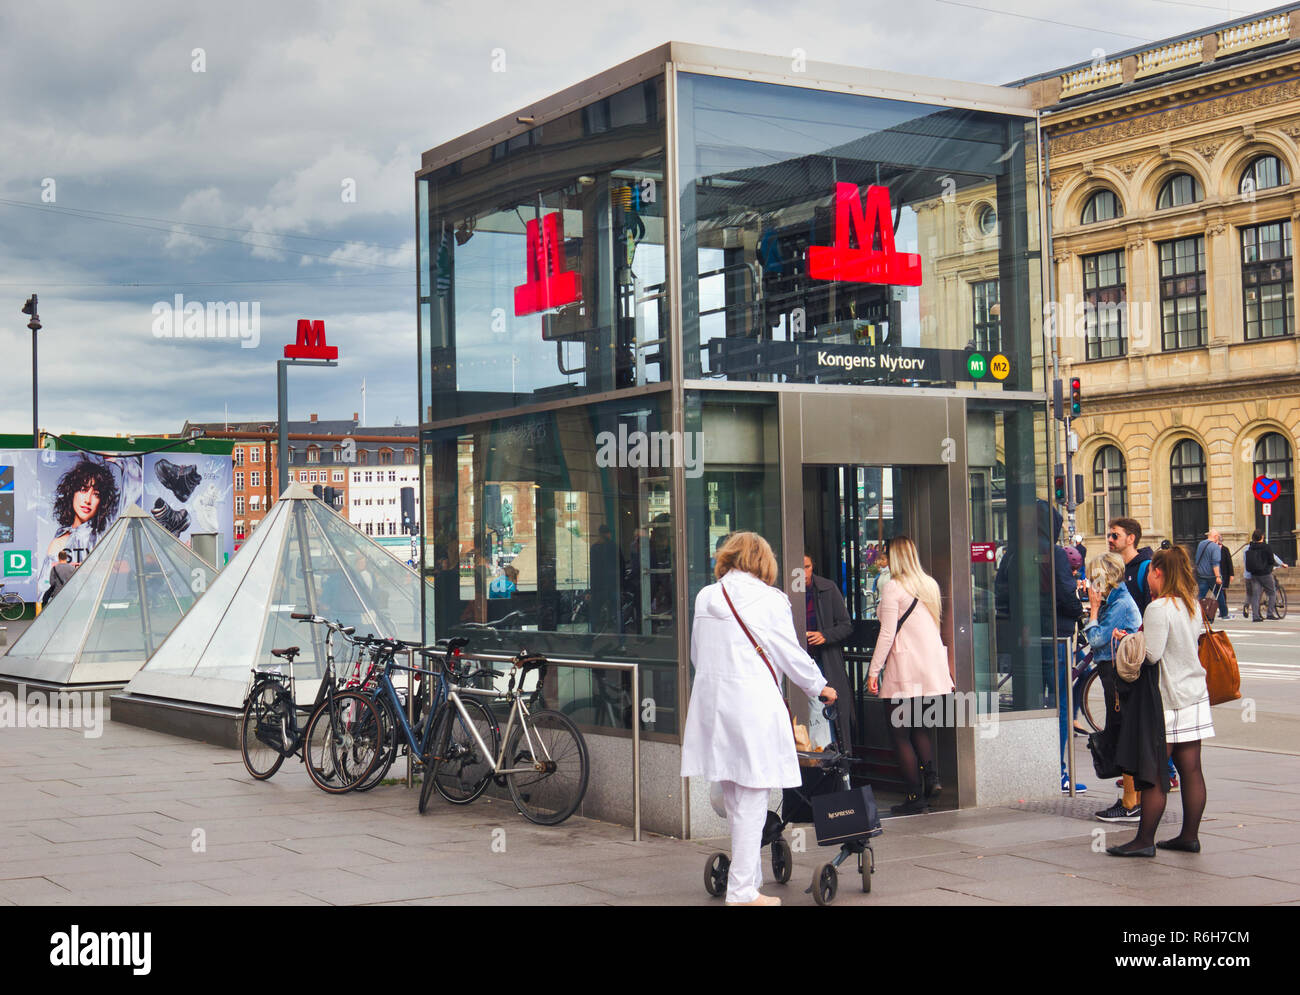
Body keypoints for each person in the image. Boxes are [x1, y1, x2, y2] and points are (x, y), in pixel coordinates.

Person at [681, 531, 836, 907]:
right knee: (752, 797)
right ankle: (742, 892)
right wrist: (820, 687)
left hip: (712, 706)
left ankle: (747, 878)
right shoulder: (771, 600)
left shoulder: (706, 595)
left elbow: (697, 654)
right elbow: (790, 654)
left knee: (735, 797)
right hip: (751, 706)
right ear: (764, 561)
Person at [1107, 545, 1209, 857]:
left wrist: (1126, 640)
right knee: (1191, 769)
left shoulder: (1159, 608)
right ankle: (1189, 836)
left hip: (1165, 700)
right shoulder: (1191, 604)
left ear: (1159, 572)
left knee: (1153, 772)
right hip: (1195, 695)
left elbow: (1150, 654)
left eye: (1150, 572)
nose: (1147, 577)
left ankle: (1144, 841)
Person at [866, 536, 953, 815]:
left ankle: (915, 796)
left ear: (896, 558)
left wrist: (873, 671)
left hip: (904, 670)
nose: (884, 560)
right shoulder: (928, 584)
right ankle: (932, 778)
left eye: (887, 555)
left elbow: (888, 633)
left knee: (900, 735)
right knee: (920, 729)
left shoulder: (893, 587)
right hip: (930, 671)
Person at [1084, 552, 1145, 824]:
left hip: (1119, 675)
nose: (1088, 581)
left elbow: (1096, 639)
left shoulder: (1119, 603)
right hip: (1114, 673)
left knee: (1122, 732)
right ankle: (1132, 801)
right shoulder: (1116, 599)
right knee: (1121, 730)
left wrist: (1094, 610)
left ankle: (1131, 803)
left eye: (1092, 576)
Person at [802, 552, 855, 749]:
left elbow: (846, 625)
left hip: (824, 659)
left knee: (831, 711)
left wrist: (824, 635)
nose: (804, 573)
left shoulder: (827, 588)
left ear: (812, 567)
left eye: (807, 567)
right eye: (799, 568)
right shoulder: (784, 593)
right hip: (799, 660)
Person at [1245, 530, 1284, 621]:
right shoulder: (1266, 547)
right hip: (1265, 574)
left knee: (1256, 595)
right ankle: (1270, 613)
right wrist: (1277, 564)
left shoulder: (1250, 547)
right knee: (1272, 593)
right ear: (1262, 537)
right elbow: (1271, 560)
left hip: (1254, 574)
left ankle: (1255, 616)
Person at [1193, 529, 1223, 605]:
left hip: (1201, 575)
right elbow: (1215, 563)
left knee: (1201, 596)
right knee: (1219, 595)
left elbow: (1197, 558)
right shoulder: (1215, 547)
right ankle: (1224, 614)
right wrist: (1218, 576)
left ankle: (1197, 611)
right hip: (1212, 576)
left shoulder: (1201, 544)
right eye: (1218, 537)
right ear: (1215, 536)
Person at [1217, 535, 1234, 620]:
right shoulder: (1213, 549)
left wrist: (1231, 574)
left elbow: (1229, 562)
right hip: (1216, 574)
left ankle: (1223, 610)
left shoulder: (1225, 549)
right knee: (1219, 592)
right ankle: (1222, 610)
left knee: (1222, 592)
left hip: (1224, 574)